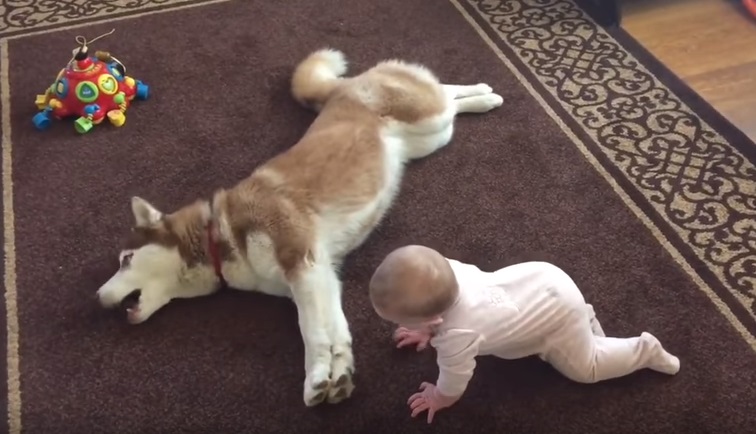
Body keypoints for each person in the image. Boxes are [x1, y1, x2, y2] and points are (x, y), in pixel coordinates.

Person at [368, 245, 681, 424]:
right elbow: (432, 301)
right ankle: (585, 316)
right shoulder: (448, 269)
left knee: (588, 368)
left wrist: (439, 396)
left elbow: (454, 380)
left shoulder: (456, 337)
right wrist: (425, 327)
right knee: (575, 322)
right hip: (545, 279)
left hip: (555, 318)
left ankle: (644, 350)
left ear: (435, 319)